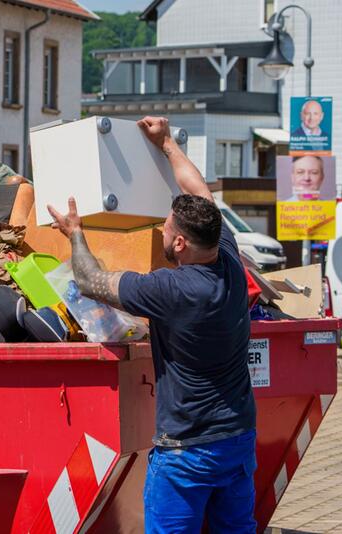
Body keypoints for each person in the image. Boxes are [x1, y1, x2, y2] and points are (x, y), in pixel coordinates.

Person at [47, 116, 256, 533]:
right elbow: (198, 190)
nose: (161, 227)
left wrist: (74, 233)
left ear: (179, 243)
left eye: (166, 226)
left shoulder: (173, 290)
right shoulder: (227, 256)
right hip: (237, 439)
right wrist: (167, 145)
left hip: (187, 452)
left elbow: (90, 282)